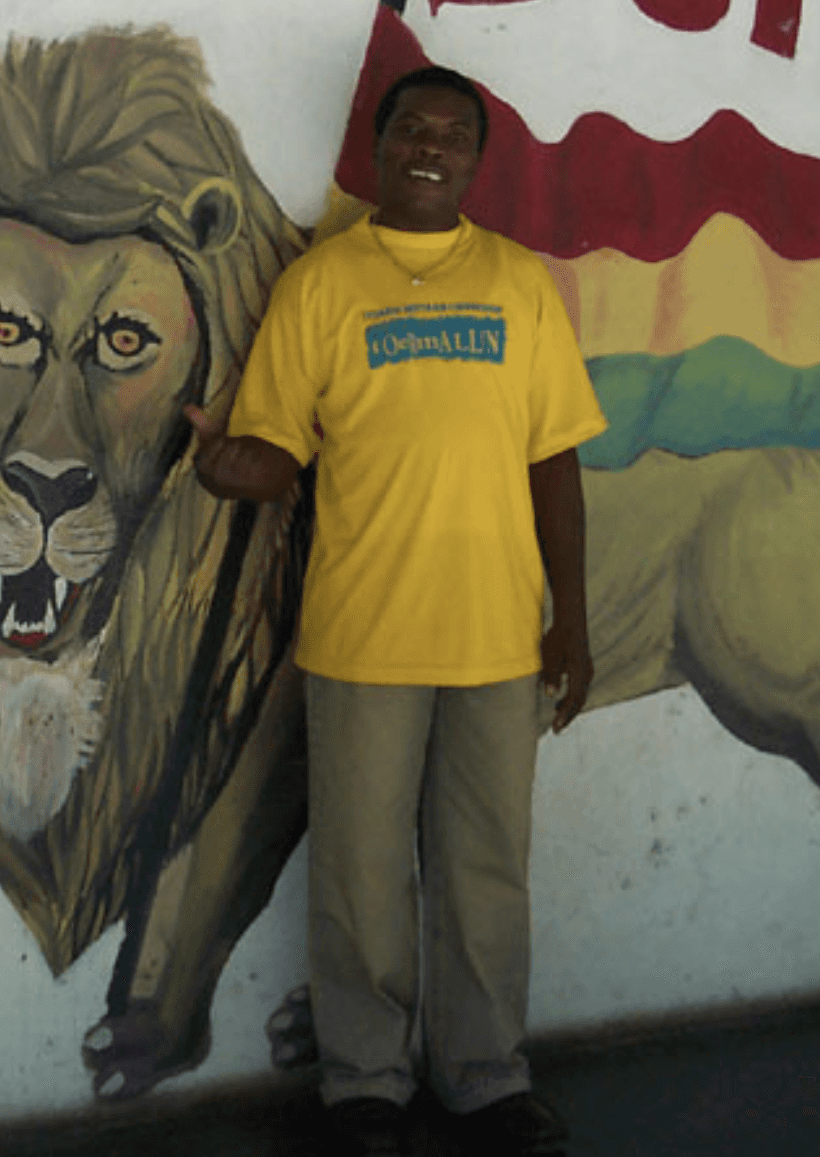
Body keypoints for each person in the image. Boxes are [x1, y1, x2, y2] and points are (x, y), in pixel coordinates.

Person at [187, 66, 607, 1156]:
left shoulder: (517, 284)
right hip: (362, 633)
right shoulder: (321, 285)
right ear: (378, 150)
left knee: (483, 870)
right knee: (360, 872)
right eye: (411, 128)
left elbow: (554, 461)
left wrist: (570, 619)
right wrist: (223, 467)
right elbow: (275, 448)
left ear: (476, 161)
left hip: (497, 636)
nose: (430, 147)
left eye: (453, 135)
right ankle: (365, 1082)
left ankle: (485, 1077)